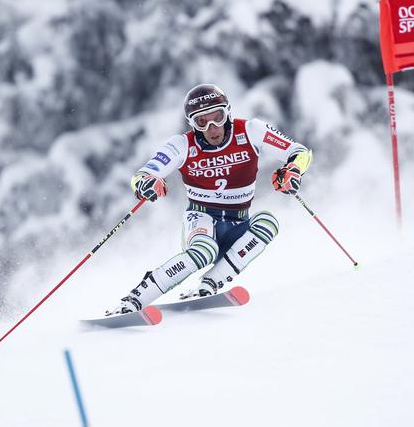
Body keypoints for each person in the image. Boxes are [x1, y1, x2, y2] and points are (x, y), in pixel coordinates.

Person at [106, 83, 313, 315]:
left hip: (239, 222)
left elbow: (300, 151)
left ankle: (210, 283)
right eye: (201, 122)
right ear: (192, 124)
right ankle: (134, 300)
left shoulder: (251, 131)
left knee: (268, 222)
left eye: (218, 117)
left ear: (228, 113)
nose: (212, 127)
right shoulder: (182, 145)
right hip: (202, 217)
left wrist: (293, 169)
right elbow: (144, 173)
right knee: (204, 251)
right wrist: (147, 182)